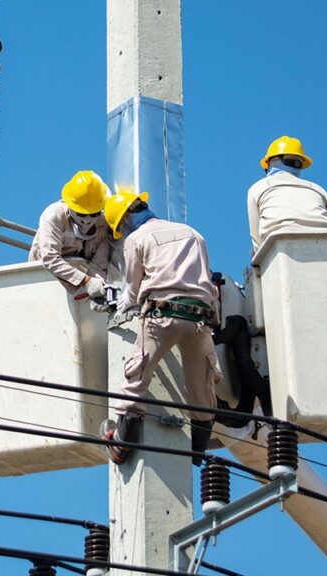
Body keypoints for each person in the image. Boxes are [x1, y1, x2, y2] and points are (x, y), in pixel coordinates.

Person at [101, 188, 221, 465]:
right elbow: (208, 281)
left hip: (161, 316)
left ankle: (121, 445)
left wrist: (118, 309)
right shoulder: (192, 233)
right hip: (199, 319)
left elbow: (131, 291)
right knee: (201, 389)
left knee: (136, 379)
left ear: (124, 222)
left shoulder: (136, 239)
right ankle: (198, 452)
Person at [247, 136, 327, 253]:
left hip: (281, 245)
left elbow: (257, 239)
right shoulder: (319, 190)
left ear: (272, 161)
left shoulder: (258, 187)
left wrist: (259, 267)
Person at [28, 170, 111, 299]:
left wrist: (101, 291)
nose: (87, 220)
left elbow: (99, 265)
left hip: (82, 280)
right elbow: (50, 258)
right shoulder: (55, 215)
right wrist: (86, 281)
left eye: (94, 214)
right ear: (71, 206)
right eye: (82, 214)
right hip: (45, 278)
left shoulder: (103, 224)